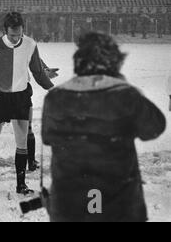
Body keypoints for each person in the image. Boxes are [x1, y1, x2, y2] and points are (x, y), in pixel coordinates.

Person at [42, 32, 166, 222]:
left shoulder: (55, 98)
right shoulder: (126, 96)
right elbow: (155, 127)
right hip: (119, 208)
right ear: (115, 62)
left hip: (68, 206)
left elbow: (47, 137)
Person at [0, 12, 54, 194]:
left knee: (22, 141)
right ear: (5, 31)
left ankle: (21, 185)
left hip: (20, 97)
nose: (16, 38)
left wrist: (51, 89)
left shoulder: (30, 44)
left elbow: (37, 71)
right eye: (12, 35)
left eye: (19, 34)